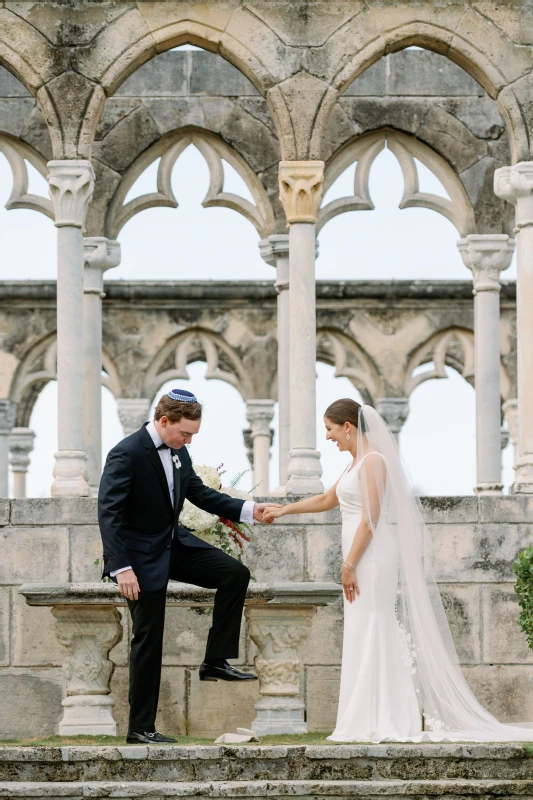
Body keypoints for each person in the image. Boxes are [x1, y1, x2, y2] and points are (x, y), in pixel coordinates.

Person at [264, 399, 533, 742]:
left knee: (375, 625)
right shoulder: (354, 463)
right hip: (360, 554)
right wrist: (283, 511)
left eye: (330, 429)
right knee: (364, 629)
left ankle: (387, 717)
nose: (328, 437)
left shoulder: (374, 460)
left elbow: (371, 517)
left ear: (348, 426)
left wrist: (349, 565)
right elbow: (326, 500)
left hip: (371, 557)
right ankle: (366, 716)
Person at [98, 388, 278, 745]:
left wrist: (248, 510)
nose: (188, 441)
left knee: (234, 573)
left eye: (192, 434)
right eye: (185, 433)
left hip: (174, 545)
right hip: (139, 560)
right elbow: (109, 513)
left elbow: (200, 493)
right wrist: (121, 568)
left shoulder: (179, 454)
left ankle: (215, 659)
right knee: (148, 640)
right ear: (164, 421)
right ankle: (140, 729)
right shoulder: (126, 453)